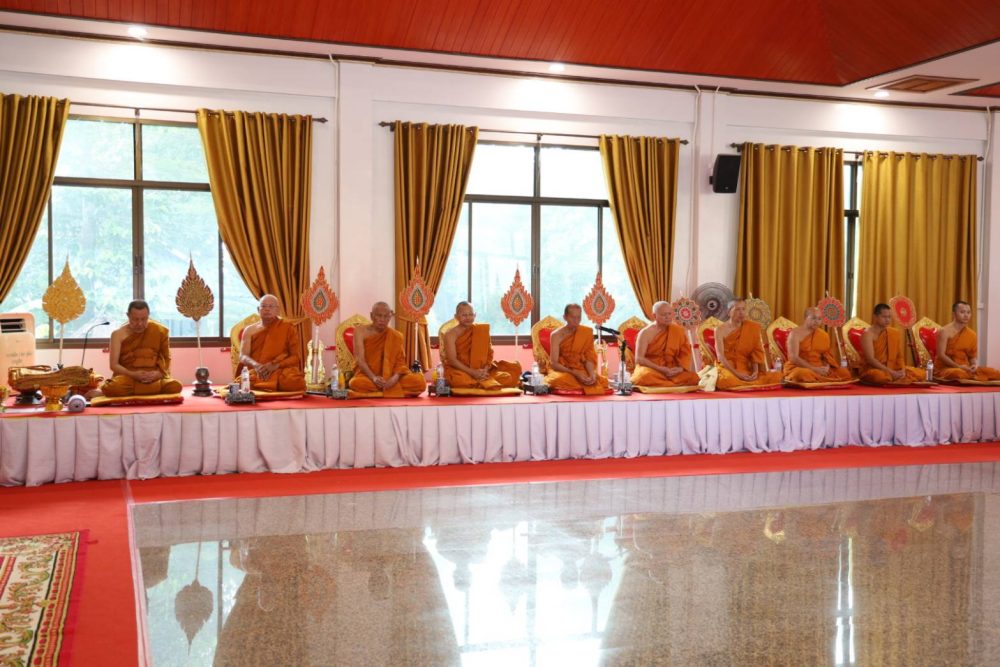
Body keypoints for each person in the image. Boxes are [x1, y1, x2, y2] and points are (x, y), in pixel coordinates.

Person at [97, 300, 183, 397]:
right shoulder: (117, 334)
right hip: (129, 378)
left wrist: (158, 374)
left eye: (144, 319)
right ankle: (150, 389)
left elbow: (166, 359)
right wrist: (133, 374)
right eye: (135, 319)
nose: (140, 323)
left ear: (148, 316)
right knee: (113, 387)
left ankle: (140, 389)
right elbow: (114, 365)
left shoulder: (160, 331)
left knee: (175, 386)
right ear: (128, 316)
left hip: (153, 378)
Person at [348, 302, 426, 397]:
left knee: (420, 382)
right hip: (368, 376)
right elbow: (360, 359)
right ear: (372, 316)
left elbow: (400, 363)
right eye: (379, 316)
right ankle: (388, 391)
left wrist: (394, 379)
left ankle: (378, 393)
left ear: (390, 318)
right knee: (356, 383)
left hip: (390, 377)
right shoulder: (360, 331)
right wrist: (374, 378)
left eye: (386, 316)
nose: (382, 319)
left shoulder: (396, 336)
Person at [442, 302, 521, 390]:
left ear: (475, 315)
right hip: (461, 371)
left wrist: (484, 371)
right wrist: (472, 372)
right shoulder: (450, 335)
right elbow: (452, 360)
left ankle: (479, 383)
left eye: (471, 314)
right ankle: (486, 384)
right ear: (456, 316)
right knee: (459, 380)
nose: (468, 318)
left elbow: (489, 355)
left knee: (508, 377)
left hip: (481, 370)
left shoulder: (481, 330)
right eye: (464, 315)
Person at [237, 294, 306, 392]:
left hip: (280, 370)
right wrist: (257, 365)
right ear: (258, 309)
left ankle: (265, 385)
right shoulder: (249, 330)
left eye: (271, 306)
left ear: (278, 310)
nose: (267, 309)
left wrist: (275, 365)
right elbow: (243, 356)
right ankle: (268, 385)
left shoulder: (288, 328)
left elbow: (295, 357)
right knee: (243, 381)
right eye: (264, 306)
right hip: (257, 371)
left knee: (294, 382)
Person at [715, 299, 783, 390]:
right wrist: (737, 373)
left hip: (746, 367)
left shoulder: (752, 327)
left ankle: (747, 382)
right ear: (728, 312)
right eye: (737, 309)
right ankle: (746, 383)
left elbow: (755, 352)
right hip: (728, 367)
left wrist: (755, 371)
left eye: (743, 309)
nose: (741, 313)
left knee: (776, 377)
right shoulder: (720, 330)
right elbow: (720, 356)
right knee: (725, 380)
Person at [630, 300, 699, 389]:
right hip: (652, 369)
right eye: (664, 315)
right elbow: (639, 359)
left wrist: (680, 368)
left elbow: (685, 354)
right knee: (643, 377)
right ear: (654, 316)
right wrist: (660, 369)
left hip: (671, 369)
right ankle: (673, 385)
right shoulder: (645, 333)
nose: (668, 317)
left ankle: (666, 384)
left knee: (694, 378)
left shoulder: (677, 330)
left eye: (670, 314)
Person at [544, 303, 609, 395]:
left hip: (581, 369)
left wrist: (592, 374)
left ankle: (587, 381)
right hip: (565, 370)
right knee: (557, 380)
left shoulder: (586, 332)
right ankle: (581, 383)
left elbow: (588, 358)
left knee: (602, 381)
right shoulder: (556, 335)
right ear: (565, 317)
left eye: (579, 317)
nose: (576, 321)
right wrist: (575, 373)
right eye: (573, 317)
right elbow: (554, 364)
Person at [934, 300, 1000, 381]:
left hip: (965, 368)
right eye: (962, 312)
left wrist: (973, 365)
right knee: (958, 373)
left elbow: (972, 356)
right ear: (954, 314)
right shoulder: (944, 331)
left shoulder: (972, 334)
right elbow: (941, 355)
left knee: (995, 373)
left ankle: (971, 376)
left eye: (968, 312)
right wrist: (958, 366)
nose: (966, 315)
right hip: (946, 368)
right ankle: (972, 377)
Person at [859, 303, 924, 384]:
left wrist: (902, 370)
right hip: (874, 369)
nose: (887, 320)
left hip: (892, 368)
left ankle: (896, 377)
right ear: (875, 317)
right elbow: (870, 360)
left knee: (921, 373)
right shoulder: (867, 334)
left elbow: (899, 356)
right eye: (884, 317)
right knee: (879, 376)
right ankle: (894, 377)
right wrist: (891, 372)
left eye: (889, 317)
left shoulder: (893, 333)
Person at [784, 307, 853, 383]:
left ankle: (817, 380)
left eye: (819, 319)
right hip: (799, 367)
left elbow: (826, 356)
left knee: (844, 373)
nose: (817, 321)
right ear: (805, 318)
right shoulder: (795, 333)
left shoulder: (823, 335)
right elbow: (793, 358)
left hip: (818, 367)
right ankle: (821, 380)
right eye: (813, 318)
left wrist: (826, 367)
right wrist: (813, 369)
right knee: (802, 374)